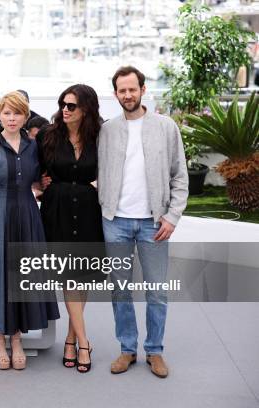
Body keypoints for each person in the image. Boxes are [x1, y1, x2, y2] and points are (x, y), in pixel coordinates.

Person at [98, 66, 188, 379]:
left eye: (132, 89)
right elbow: (98, 169)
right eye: (122, 91)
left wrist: (172, 216)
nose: (128, 95)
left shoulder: (165, 127)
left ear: (143, 89)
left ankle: (155, 351)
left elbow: (180, 175)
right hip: (116, 221)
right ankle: (127, 348)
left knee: (157, 291)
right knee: (120, 290)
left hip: (154, 223)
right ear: (115, 94)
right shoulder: (108, 129)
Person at [0, 91, 60, 370]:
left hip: (29, 216)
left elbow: (38, 182)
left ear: (25, 116)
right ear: (0, 114)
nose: (11, 118)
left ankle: (17, 338)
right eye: (6, 113)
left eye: (17, 113)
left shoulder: (34, 146)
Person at [37, 84, 104, 373]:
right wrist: (39, 183)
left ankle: (70, 338)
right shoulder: (48, 135)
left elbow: (115, 169)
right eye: (63, 103)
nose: (65, 109)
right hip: (58, 212)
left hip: (89, 211)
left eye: (72, 105)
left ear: (86, 109)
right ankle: (84, 343)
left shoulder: (100, 136)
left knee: (83, 276)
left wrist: (100, 185)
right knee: (69, 278)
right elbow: (33, 171)